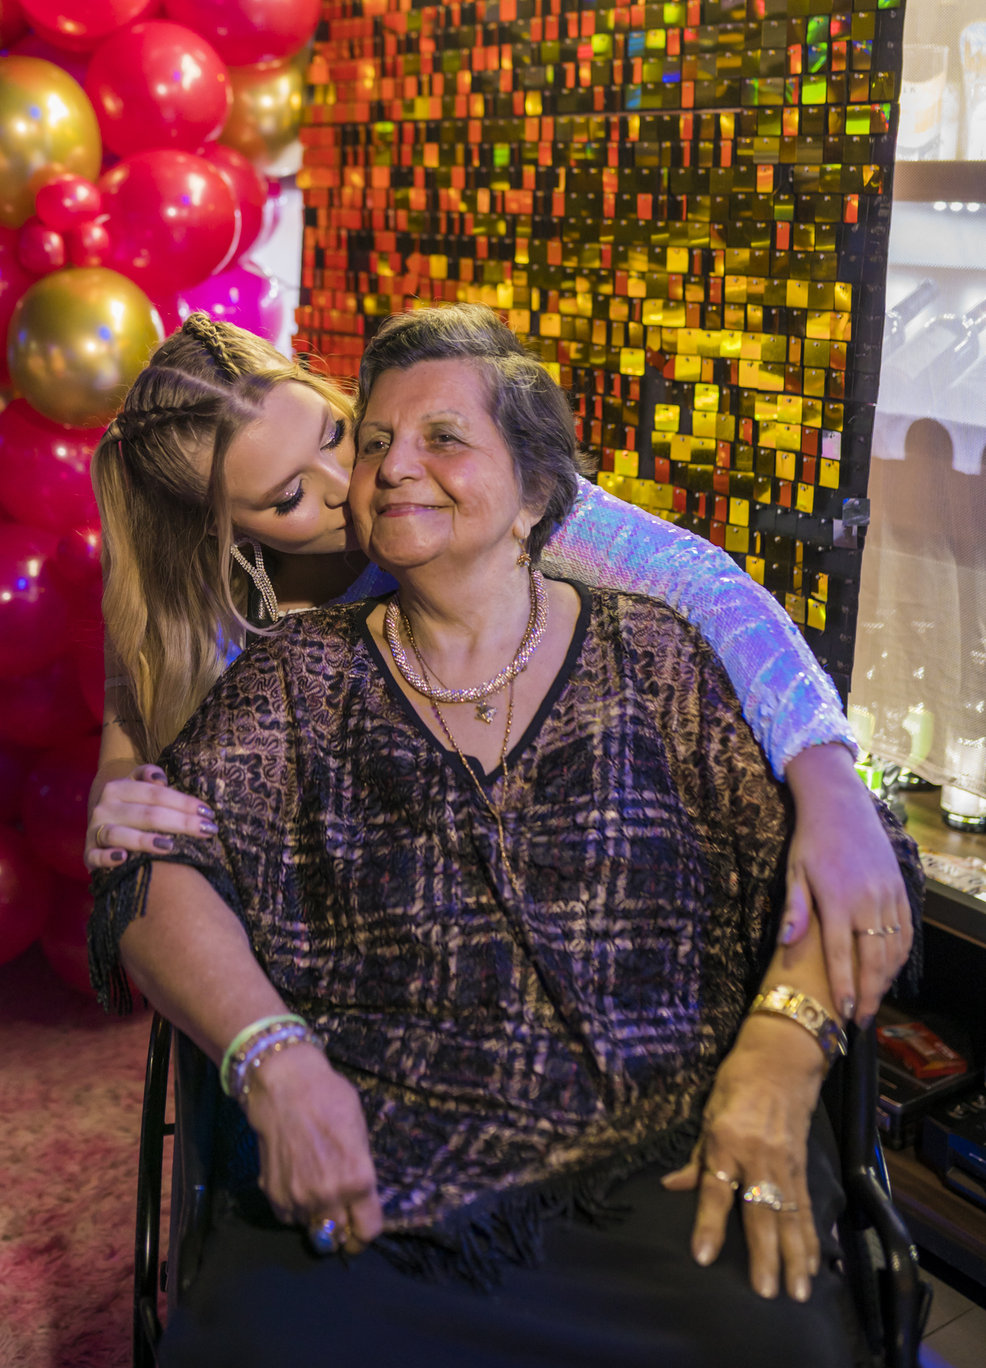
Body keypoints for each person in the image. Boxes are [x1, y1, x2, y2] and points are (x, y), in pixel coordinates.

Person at [89, 306, 919, 1368]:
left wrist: (786, 1034)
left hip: (649, 1135)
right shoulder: (291, 671)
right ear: (239, 535)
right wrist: (271, 1055)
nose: (374, 475)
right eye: (360, 454)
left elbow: (723, 598)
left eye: (354, 434)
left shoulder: (647, 647)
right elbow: (155, 861)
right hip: (392, 1159)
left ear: (534, 496)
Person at [88, 313, 909, 1025]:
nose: (350, 487)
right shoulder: (198, 612)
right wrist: (117, 790)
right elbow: (133, 711)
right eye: (287, 496)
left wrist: (828, 781)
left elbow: (707, 588)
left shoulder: (486, 498)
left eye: (338, 434)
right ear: (224, 536)